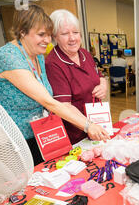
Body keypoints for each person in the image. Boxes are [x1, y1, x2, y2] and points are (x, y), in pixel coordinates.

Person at [0, 5, 109, 166]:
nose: (47, 41)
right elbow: (49, 101)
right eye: (41, 35)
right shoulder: (7, 57)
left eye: (49, 35)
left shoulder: (38, 57)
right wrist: (88, 125)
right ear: (22, 32)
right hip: (12, 140)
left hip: (39, 134)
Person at [45, 9, 109, 144]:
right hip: (76, 132)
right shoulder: (53, 64)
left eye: (75, 32)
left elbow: (100, 75)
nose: (72, 38)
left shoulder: (84, 53)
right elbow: (64, 106)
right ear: (55, 37)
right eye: (64, 34)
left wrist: (103, 85)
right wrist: (88, 126)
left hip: (98, 123)